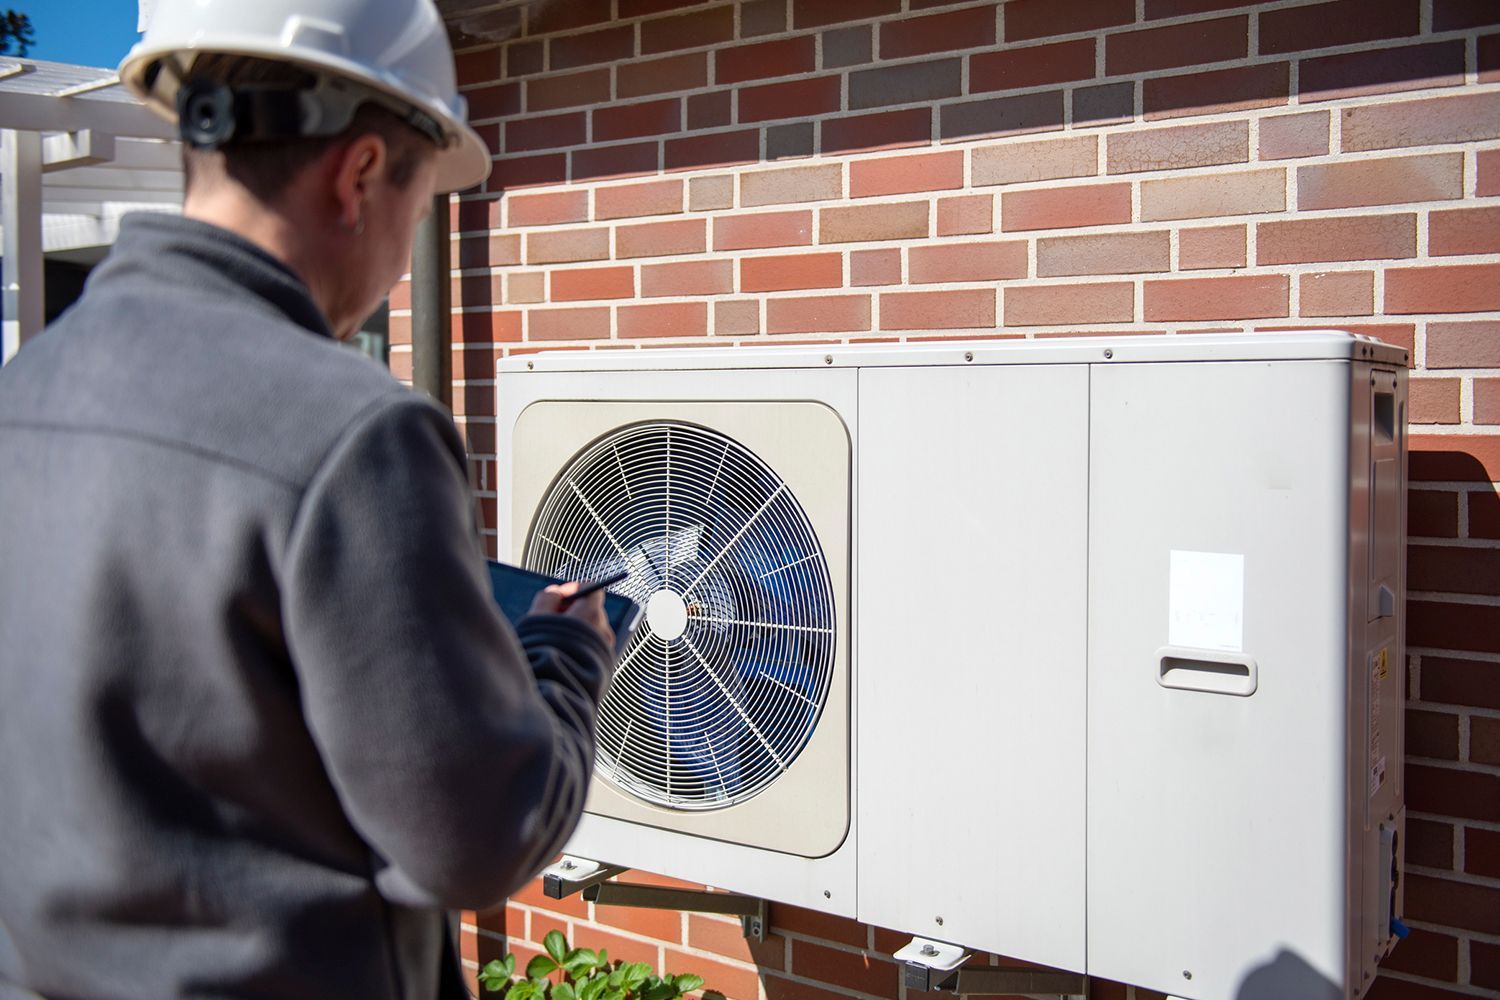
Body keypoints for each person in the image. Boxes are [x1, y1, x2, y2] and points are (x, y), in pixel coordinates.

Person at [0, 0, 615, 996]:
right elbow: (476, 836)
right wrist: (568, 657)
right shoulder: (357, 434)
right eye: (417, 210)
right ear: (361, 174)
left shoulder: (24, 393)